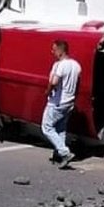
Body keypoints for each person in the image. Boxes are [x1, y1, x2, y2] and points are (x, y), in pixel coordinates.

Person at [43, 40, 81, 169]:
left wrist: (47, 91)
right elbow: (77, 84)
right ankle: (59, 153)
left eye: (54, 49)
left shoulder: (61, 65)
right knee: (60, 128)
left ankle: (64, 153)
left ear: (61, 50)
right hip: (69, 101)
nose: (52, 52)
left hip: (58, 102)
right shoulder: (76, 65)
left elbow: (54, 81)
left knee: (47, 127)